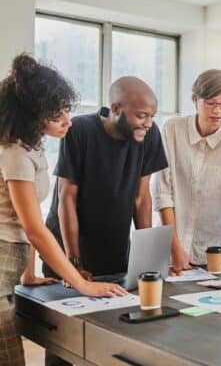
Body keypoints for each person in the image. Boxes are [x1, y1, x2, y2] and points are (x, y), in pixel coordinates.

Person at [0, 53, 126, 366]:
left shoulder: (31, 145)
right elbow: (33, 229)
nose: (68, 121)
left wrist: (29, 273)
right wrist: (83, 284)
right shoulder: (14, 150)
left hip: (10, 262)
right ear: (33, 116)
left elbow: (18, 215)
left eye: (67, 110)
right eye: (58, 116)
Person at [43, 76, 168, 279]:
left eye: (152, 116)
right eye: (142, 116)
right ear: (116, 109)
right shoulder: (79, 130)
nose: (148, 124)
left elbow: (141, 198)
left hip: (114, 251)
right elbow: (67, 198)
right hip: (68, 250)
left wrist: (147, 261)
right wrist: (73, 262)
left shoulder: (150, 134)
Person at [153, 69, 221, 285]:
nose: (218, 111)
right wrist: (175, 248)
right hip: (173, 253)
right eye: (210, 103)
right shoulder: (172, 130)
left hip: (215, 254)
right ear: (195, 100)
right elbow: (163, 193)